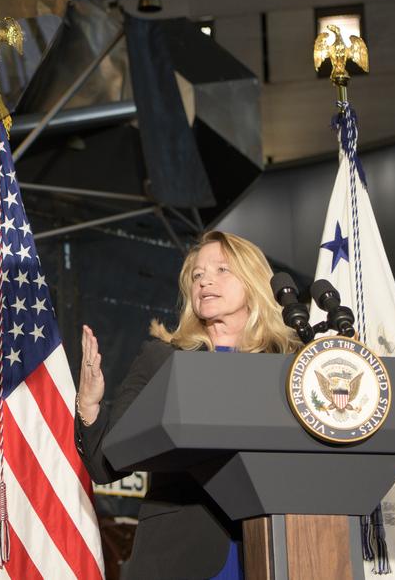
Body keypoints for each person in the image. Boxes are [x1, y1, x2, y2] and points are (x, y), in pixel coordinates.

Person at [74, 230, 300, 580]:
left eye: (222, 270)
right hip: (182, 553)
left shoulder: (289, 365)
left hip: (277, 548)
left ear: (254, 281)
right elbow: (106, 465)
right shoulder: (162, 360)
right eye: (197, 275)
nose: (205, 279)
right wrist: (89, 406)